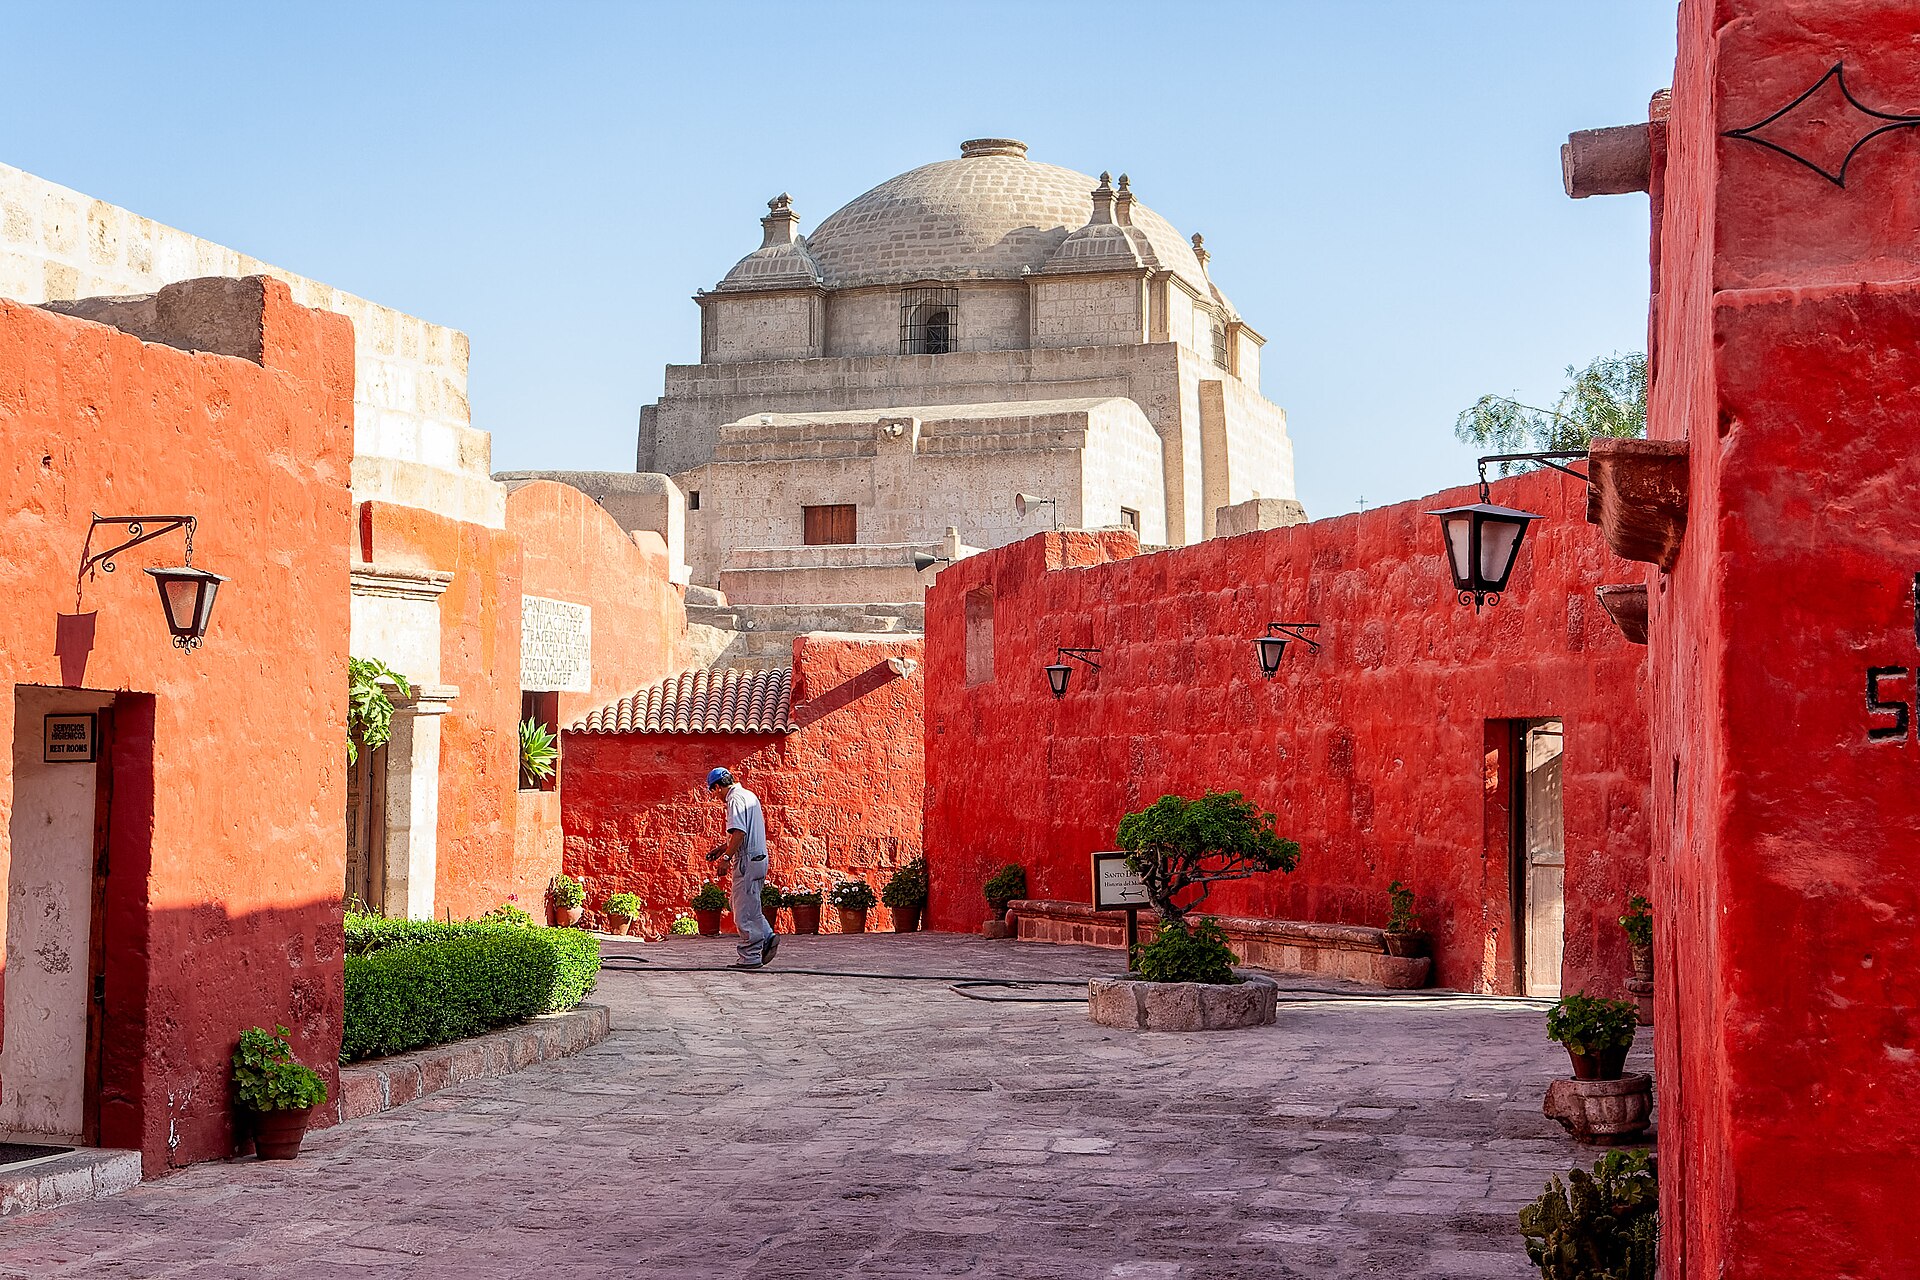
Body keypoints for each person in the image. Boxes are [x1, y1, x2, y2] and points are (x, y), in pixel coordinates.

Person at [704, 767, 777, 968]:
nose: (715, 795)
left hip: (747, 860)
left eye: (713, 791)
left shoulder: (734, 800)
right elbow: (743, 832)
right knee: (745, 904)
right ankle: (768, 936)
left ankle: (751, 956)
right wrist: (722, 849)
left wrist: (726, 858)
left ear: (717, 787)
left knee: (744, 909)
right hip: (757, 857)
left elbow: (740, 832)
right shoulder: (748, 795)